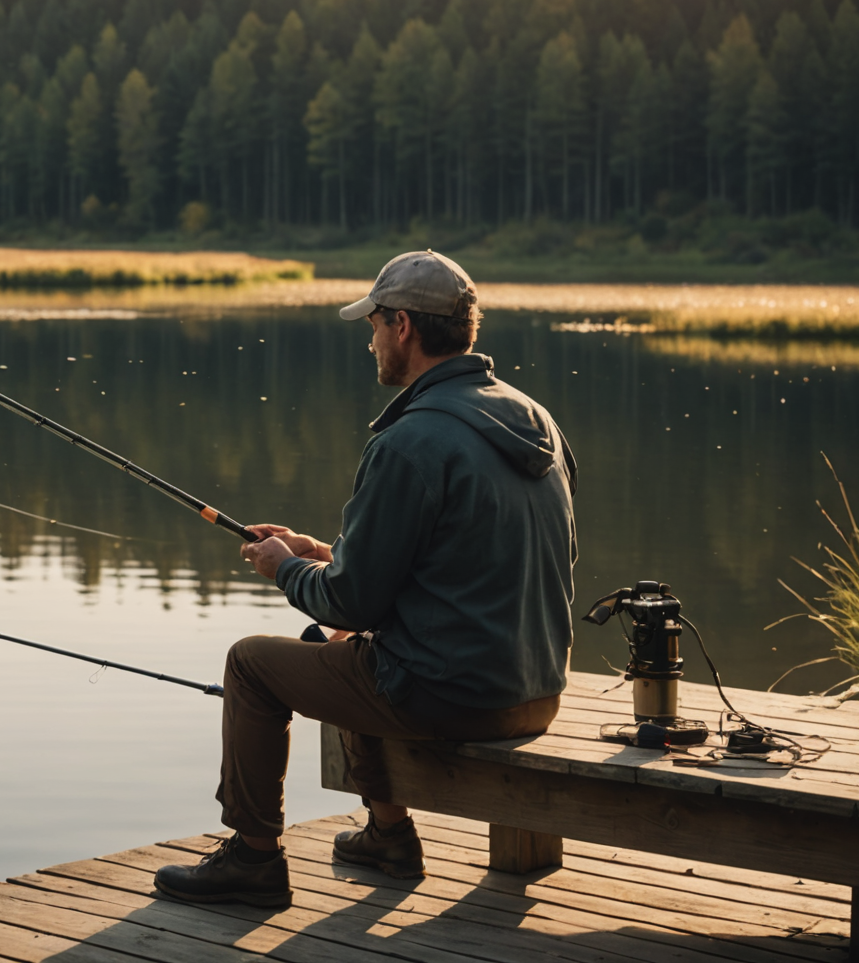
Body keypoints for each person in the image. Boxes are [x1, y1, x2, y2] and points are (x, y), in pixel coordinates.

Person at [152, 250, 577, 907]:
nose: (370, 339)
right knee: (344, 638)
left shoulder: (411, 440)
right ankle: (387, 836)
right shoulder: (534, 419)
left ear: (403, 325)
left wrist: (286, 568)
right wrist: (318, 550)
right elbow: (463, 564)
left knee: (253, 664)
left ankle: (255, 860)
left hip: (457, 697)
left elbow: (354, 595)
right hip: (536, 689)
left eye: (375, 324)